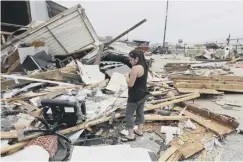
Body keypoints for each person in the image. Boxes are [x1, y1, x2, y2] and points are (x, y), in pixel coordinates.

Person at [122, 49, 150, 141]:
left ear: (136, 58)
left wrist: (126, 76)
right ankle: (139, 130)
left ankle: (130, 135)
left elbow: (130, 84)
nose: (130, 62)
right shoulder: (145, 65)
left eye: (131, 60)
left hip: (135, 96)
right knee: (140, 112)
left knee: (129, 114)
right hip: (143, 94)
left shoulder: (135, 68)